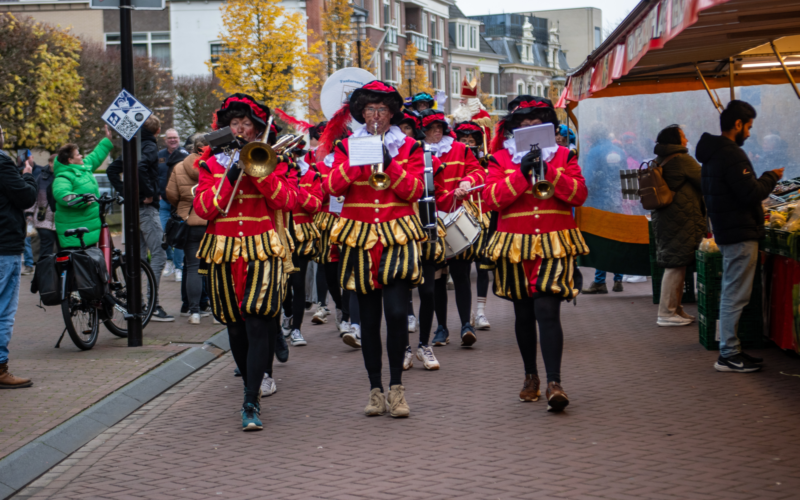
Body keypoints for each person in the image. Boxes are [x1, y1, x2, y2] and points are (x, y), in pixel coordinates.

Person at [320, 80, 425, 417]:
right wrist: (357, 160)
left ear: (392, 112)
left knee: (396, 314)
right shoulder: (345, 145)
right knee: (368, 318)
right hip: (359, 237)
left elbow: (413, 191)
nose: (376, 116)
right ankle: (375, 389)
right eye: (370, 110)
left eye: (382, 109)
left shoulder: (408, 146)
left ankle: (397, 388)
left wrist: (388, 162)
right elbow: (333, 187)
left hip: (396, 236)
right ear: (361, 113)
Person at [194, 93, 298, 430]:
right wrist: (230, 174)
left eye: (246, 124)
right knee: (235, 327)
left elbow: (288, 199)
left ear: (257, 129)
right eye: (234, 124)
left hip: (261, 248)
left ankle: (251, 400)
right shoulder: (210, 165)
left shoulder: (273, 159)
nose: (240, 129)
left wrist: (257, 171)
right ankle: (248, 385)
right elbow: (204, 210)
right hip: (223, 249)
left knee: (257, 322)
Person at [483, 96, 589, 412]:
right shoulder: (500, 159)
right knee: (524, 314)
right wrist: (520, 173)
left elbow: (580, 194)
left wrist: (550, 173)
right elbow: (491, 200)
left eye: (537, 124)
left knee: (547, 310)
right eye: (524, 125)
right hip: (515, 245)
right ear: (514, 130)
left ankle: (555, 382)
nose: (530, 129)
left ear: (548, 128)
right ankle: (531, 375)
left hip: (554, 243)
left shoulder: (564, 156)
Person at [696, 100, 782, 373]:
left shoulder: (712, 154)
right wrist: (771, 177)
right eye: (748, 127)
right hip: (739, 232)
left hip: (727, 230)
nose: (749, 133)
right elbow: (750, 193)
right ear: (737, 125)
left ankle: (731, 349)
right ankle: (729, 353)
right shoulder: (730, 154)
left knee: (733, 292)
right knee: (736, 294)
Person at [419, 109, 484, 350]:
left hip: (456, 215)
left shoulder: (460, 149)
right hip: (429, 219)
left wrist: (468, 182)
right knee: (436, 280)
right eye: (431, 128)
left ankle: (467, 325)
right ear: (423, 131)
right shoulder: (417, 152)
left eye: (440, 127)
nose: (436, 131)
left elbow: (478, 171)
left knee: (461, 274)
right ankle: (441, 327)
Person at [396, 108, 441, 371]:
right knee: (401, 294)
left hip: (425, 228)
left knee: (428, 291)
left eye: (407, 129)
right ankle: (403, 347)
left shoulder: (424, 155)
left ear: (415, 132)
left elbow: (440, 189)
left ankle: (425, 345)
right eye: (399, 128)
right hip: (399, 231)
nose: (403, 134)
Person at [651, 125, 706, 327]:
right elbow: (704, 180)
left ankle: (675, 308)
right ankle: (666, 312)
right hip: (679, 219)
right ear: (675, 140)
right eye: (683, 136)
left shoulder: (662, 158)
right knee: (675, 265)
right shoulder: (682, 159)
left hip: (668, 217)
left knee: (677, 263)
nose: (686, 139)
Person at [0, 123, 37, 388]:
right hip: (4, 244)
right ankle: (0, 368)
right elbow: (25, 197)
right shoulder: (3, 163)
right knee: (3, 309)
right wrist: (26, 174)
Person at [280, 137, 323, 347]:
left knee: (298, 284)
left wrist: (297, 189)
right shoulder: (276, 174)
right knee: (283, 284)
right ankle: (287, 315)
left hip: (301, 236)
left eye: (296, 155)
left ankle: (296, 328)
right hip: (280, 234)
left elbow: (315, 204)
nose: (293, 159)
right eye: (289, 155)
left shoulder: (311, 175)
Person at [166, 135, 209, 325]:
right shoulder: (215, 167)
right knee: (213, 268)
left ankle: (194, 312)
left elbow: (171, 195)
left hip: (189, 222)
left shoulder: (180, 166)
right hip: (211, 222)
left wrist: (184, 207)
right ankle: (216, 312)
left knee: (192, 267)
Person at [454, 121, 494, 331]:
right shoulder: (453, 159)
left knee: (482, 267)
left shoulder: (487, 161)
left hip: (482, 214)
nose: (468, 144)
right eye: (463, 141)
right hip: (461, 214)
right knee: (461, 269)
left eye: (471, 141)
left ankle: (480, 311)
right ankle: (466, 312)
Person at [52, 127, 114, 249]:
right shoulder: (63, 177)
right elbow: (62, 194)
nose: (81, 156)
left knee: (92, 261)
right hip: (75, 230)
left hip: (88, 226)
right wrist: (82, 200)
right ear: (70, 160)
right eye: (78, 154)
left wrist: (107, 140)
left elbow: (95, 156)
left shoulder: (83, 168)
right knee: (82, 263)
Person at [137, 116, 173, 321]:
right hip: (147, 208)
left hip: (134, 207)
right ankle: (153, 304)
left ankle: (140, 303)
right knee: (159, 254)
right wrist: (149, 193)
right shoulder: (149, 145)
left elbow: (114, 169)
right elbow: (142, 168)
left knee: (140, 257)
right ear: (158, 130)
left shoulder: (132, 144)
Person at [158, 128, 187, 282]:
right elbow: (153, 175)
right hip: (164, 202)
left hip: (180, 204)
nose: (173, 140)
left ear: (179, 138)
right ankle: (169, 260)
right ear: (165, 140)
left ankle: (178, 267)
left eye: (175, 137)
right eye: (170, 138)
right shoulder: (159, 157)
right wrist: (157, 192)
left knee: (179, 235)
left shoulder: (185, 156)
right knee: (164, 233)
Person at [31, 154, 58, 260]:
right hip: (43, 218)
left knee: (60, 249)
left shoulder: (62, 176)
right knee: (46, 246)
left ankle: (58, 273)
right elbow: (33, 196)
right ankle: (43, 272)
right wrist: (29, 213)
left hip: (58, 219)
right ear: (50, 163)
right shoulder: (41, 177)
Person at [451, 76, 493, 143]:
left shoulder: (483, 114)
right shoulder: (458, 115)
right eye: (461, 99)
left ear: (471, 101)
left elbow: (486, 138)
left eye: (463, 100)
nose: (460, 102)